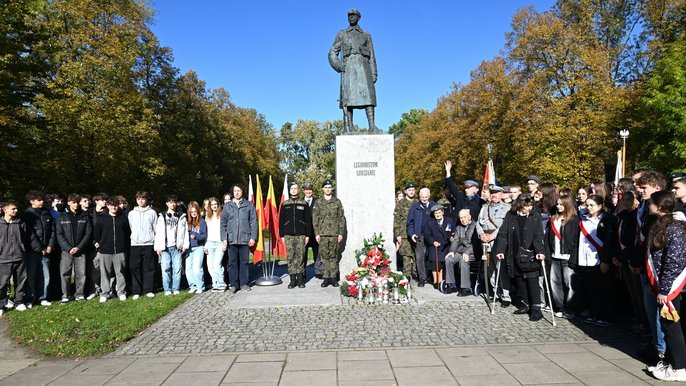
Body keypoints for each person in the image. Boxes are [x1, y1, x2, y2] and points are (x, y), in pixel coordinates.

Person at [645, 191, 686, 381]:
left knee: (671, 326)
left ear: (660, 206)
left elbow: (674, 261)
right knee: (666, 324)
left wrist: (664, 289)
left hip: (671, 286)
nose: (649, 205)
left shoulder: (674, 229)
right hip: (663, 283)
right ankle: (671, 362)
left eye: (652, 202)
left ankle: (679, 368)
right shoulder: (662, 225)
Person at [631, 170, 668, 364]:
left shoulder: (664, 217)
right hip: (644, 266)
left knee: (657, 314)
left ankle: (661, 351)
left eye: (644, 187)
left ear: (657, 188)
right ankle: (655, 345)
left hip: (657, 271)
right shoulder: (646, 209)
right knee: (649, 310)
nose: (639, 190)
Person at [494, 194, 546, 321]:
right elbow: (502, 234)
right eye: (526, 205)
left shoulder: (536, 215)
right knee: (519, 278)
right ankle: (527, 304)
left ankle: (536, 309)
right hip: (514, 251)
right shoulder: (511, 215)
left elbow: (538, 235)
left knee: (532, 280)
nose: (529, 208)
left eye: (530, 205)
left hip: (531, 252)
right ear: (519, 204)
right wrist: (500, 250)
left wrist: (540, 251)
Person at [328, 8, 378, 133]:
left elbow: (372, 55)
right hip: (349, 68)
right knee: (348, 99)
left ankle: (372, 126)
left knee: (369, 98)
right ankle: (348, 127)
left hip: (364, 68)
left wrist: (374, 73)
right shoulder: (342, 34)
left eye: (354, 15)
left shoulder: (366, 35)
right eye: (349, 15)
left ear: (358, 17)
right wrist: (338, 66)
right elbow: (332, 53)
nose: (351, 17)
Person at [577, 195, 616, 327]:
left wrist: (605, 260)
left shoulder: (607, 220)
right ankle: (594, 313)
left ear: (600, 206)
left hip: (599, 259)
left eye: (591, 205)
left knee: (603, 289)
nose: (588, 207)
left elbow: (609, 242)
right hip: (585, 258)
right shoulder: (584, 219)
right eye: (587, 205)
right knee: (590, 288)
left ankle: (605, 316)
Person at [544, 195, 579, 319]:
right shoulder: (554, 219)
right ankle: (560, 306)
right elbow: (548, 238)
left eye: (561, 204)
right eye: (557, 204)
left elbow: (576, 240)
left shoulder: (574, 219)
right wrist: (547, 254)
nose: (558, 206)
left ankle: (571, 309)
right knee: (555, 283)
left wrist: (573, 258)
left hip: (567, 256)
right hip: (555, 256)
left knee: (569, 284)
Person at [476, 185, 511, 305]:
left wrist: (492, 236)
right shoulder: (484, 208)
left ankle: (505, 296)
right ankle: (496, 292)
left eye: (496, 192)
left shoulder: (507, 208)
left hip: (498, 242)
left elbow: (504, 226)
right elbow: (478, 223)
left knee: (501, 269)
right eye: (492, 193)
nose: (494, 195)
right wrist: (481, 235)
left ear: (501, 194)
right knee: (490, 269)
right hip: (485, 242)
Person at [221, 184, 257, 293]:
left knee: (244, 262)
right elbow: (223, 223)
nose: (237, 192)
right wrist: (224, 238)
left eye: (239, 190)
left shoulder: (249, 205)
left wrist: (253, 237)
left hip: (245, 238)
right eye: (235, 191)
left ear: (243, 192)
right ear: (233, 192)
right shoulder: (228, 206)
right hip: (231, 239)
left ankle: (244, 283)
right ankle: (234, 284)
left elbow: (253, 222)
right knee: (232, 263)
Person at [21, 191, 55, 307]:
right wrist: (40, 248)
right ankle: (30, 298)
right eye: (39, 200)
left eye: (42, 200)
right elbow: (30, 234)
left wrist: (50, 245)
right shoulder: (27, 214)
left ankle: (43, 297)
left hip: (46, 250)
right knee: (31, 276)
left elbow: (52, 231)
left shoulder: (46, 213)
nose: (42, 202)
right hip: (32, 251)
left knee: (45, 275)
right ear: (32, 201)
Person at [56, 194, 92, 302]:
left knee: (81, 273)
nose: (76, 204)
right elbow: (59, 234)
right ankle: (66, 295)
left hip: (81, 250)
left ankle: (79, 294)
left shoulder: (85, 216)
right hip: (66, 251)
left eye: (77, 202)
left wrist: (79, 247)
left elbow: (88, 233)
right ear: (69, 203)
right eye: (73, 202)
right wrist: (68, 248)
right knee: (65, 273)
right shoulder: (61, 217)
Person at [93, 197, 130, 302]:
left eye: (116, 205)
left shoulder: (123, 218)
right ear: (108, 206)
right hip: (105, 251)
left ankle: (121, 292)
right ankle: (104, 293)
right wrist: (101, 244)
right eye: (112, 205)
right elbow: (97, 234)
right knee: (105, 273)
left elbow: (127, 233)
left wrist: (124, 245)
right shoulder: (102, 219)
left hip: (120, 250)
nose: (114, 207)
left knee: (120, 272)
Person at [313, 180, 346, 286]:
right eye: (326, 187)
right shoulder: (318, 202)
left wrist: (341, 233)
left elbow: (341, 218)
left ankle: (333, 277)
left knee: (334, 256)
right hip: (322, 234)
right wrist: (317, 233)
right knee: (324, 256)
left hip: (334, 234)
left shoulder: (337, 202)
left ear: (332, 188)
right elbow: (315, 219)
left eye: (329, 187)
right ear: (323, 189)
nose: (328, 189)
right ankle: (326, 278)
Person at [154, 194, 189, 296]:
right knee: (165, 269)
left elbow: (185, 232)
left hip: (177, 247)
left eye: (174, 202)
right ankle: (167, 289)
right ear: (167, 203)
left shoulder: (181, 216)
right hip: (165, 247)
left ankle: (176, 288)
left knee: (177, 268)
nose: (172, 204)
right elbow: (158, 232)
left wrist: (185, 245)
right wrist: (158, 247)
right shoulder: (162, 216)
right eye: (170, 202)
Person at [279, 182, 312, 288]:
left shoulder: (303, 203)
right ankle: (292, 280)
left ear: (298, 190)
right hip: (288, 235)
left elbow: (308, 219)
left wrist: (308, 235)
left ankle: (300, 279)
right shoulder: (285, 204)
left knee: (300, 256)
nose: (293, 190)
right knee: (291, 257)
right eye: (292, 188)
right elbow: (281, 220)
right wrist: (282, 235)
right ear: (289, 190)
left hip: (301, 235)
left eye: (295, 188)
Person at [0, 200, 30, 314]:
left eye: (16, 208)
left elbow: (25, 238)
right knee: (2, 284)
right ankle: (2, 305)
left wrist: (21, 250)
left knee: (21, 281)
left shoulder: (20, 223)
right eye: (13, 209)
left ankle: (19, 302)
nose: (16, 211)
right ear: (5, 209)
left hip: (20, 257)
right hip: (3, 259)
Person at [128, 191, 157, 299]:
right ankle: (136, 290)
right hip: (135, 244)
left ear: (146, 200)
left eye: (143, 198)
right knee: (135, 268)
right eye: (139, 198)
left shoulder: (152, 213)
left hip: (149, 243)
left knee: (148, 267)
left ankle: (148, 289)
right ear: (136, 200)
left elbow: (155, 228)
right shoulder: (131, 213)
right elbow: (131, 227)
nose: (141, 200)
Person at [407, 187, 437, 287]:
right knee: (420, 258)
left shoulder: (434, 205)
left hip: (431, 235)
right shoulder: (415, 206)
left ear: (429, 196)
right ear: (419, 197)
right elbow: (410, 223)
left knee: (431, 256)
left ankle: (431, 277)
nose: (424, 199)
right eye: (422, 197)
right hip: (419, 235)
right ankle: (422, 278)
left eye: (426, 197)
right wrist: (412, 234)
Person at [423, 205, 454, 290]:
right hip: (434, 246)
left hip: (445, 245)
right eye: (436, 213)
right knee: (434, 263)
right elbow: (427, 235)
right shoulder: (430, 222)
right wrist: (433, 242)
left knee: (442, 263)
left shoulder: (449, 221)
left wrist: (447, 241)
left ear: (443, 213)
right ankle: (436, 281)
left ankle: (441, 281)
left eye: (439, 212)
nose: (438, 215)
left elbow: (452, 232)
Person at [446, 209, 476, 296]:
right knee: (449, 259)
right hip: (460, 251)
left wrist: (467, 252)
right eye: (461, 218)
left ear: (469, 217)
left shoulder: (475, 226)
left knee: (463, 261)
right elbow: (455, 241)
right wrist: (451, 251)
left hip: (472, 251)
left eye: (464, 217)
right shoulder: (459, 227)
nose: (462, 220)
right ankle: (451, 285)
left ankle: (466, 288)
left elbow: (475, 243)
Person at [86, 192, 108, 299]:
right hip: (92, 245)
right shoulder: (89, 213)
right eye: (102, 199)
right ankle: (94, 289)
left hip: (105, 245)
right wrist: (94, 241)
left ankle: (106, 289)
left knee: (106, 270)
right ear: (96, 201)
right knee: (94, 270)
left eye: (105, 199)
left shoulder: (108, 213)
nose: (104, 201)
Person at [394, 183, 417, 277]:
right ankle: (407, 275)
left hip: (416, 233)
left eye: (413, 190)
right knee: (406, 255)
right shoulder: (401, 203)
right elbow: (396, 220)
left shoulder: (417, 202)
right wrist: (397, 234)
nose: (411, 192)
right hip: (404, 233)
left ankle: (416, 273)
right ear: (406, 191)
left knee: (417, 254)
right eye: (409, 190)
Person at [204, 197, 226, 292]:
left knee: (217, 265)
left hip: (219, 243)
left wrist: (225, 242)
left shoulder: (222, 215)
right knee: (210, 266)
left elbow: (225, 230)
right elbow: (205, 232)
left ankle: (222, 283)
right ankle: (215, 283)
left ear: (218, 204)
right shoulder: (207, 216)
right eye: (212, 205)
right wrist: (205, 244)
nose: (214, 206)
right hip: (209, 243)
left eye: (215, 204)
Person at [186, 201, 207, 294]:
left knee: (197, 268)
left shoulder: (202, 222)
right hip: (189, 248)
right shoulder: (188, 222)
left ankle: (200, 286)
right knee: (188, 269)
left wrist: (196, 236)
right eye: (191, 212)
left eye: (195, 211)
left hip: (198, 247)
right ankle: (192, 285)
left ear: (198, 211)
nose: (193, 213)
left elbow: (204, 235)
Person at [302, 183, 321, 279]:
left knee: (317, 253)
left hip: (315, 232)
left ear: (312, 191)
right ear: (304, 191)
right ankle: (303, 271)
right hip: (304, 232)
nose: (308, 191)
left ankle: (318, 271)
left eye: (310, 189)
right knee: (303, 253)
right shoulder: (300, 201)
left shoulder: (318, 201)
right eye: (306, 189)